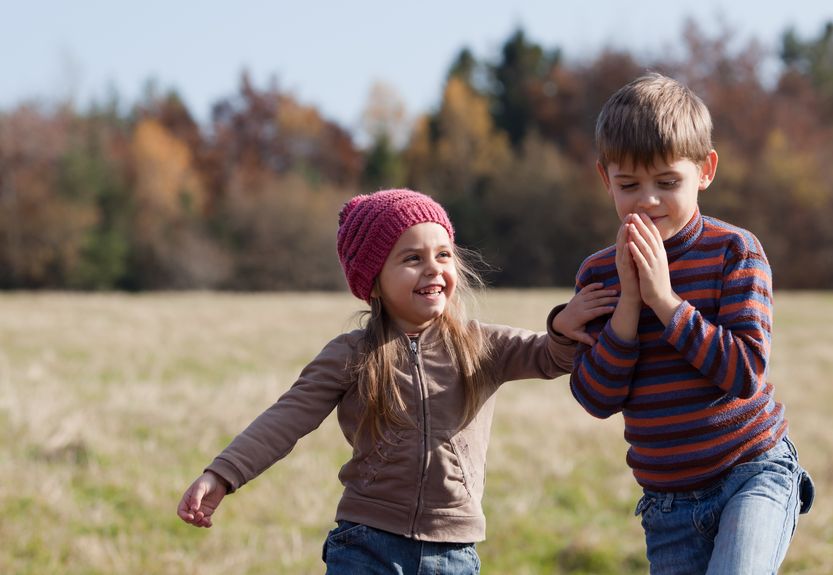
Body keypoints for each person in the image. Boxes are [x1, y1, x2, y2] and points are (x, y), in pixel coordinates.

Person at [177, 188, 616, 574]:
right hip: (367, 545)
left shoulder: (481, 344)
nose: (433, 269)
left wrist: (563, 324)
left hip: (454, 551)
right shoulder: (351, 354)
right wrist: (222, 474)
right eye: (412, 258)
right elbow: (286, 419)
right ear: (373, 282)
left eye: (443, 255)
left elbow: (548, 355)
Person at [567, 72, 815, 574]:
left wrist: (665, 301)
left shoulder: (734, 251)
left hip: (752, 472)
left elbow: (745, 372)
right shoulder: (598, 273)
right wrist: (629, 306)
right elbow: (597, 398)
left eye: (667, 182)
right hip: (668, 505)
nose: (648, 200)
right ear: (604, 178)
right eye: (629, 184)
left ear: (705, 170)